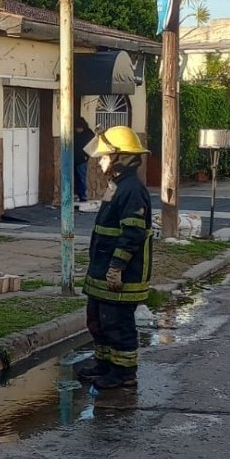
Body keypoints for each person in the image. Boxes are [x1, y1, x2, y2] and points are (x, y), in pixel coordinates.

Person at [76, 125, 152, 390]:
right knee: (99, 321)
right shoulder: (118, 185)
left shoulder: (131, 189)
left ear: (120, 157)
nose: (101, 161)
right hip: (102, 270)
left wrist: (116, 267)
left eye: (105, 156)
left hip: (120, 274)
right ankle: (105, 365)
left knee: (118, 324)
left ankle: (124, 372)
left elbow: (132, 233)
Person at [74, 117, 95, 203]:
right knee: (76, 177)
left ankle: (82, 196)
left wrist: (87, 155)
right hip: (74, 158)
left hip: (82, 159)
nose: (78, 130)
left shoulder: (88, 134)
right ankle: (77, 194)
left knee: (82, 178)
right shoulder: (75, 134)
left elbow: (93, 144)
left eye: (79, 128)